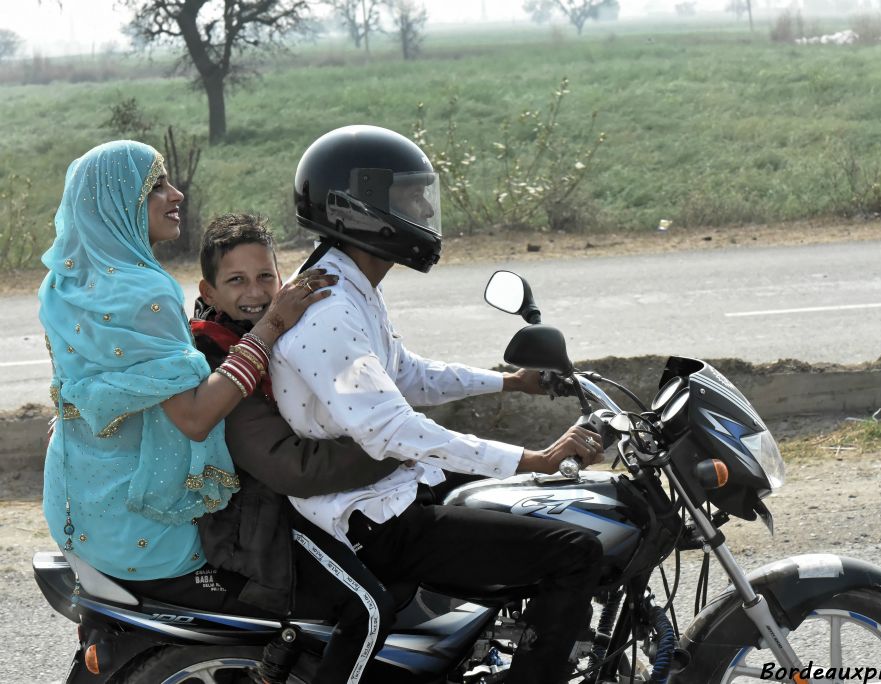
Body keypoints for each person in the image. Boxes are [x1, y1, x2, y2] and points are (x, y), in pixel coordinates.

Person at [274, 125, 606, 684]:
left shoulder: (349, 284)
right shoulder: (327, 309)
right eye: (408, 199)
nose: (423, 211)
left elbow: (406, 374)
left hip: (389, 492)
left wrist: (510, 383)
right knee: (574, 552)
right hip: (372, 519)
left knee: (526, 508)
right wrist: (532, 458)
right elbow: (390, 427)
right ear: (359, 206)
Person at [38, 140, 332, 609]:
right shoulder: (144, 292)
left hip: (76, 502)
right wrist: (273, 324)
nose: (176, 195)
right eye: (156, 186)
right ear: (116, 203)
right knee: (293, 596)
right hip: (142, 522)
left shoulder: (64, 282)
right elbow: (194, 418)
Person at [190, 212, 404, 684]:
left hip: (298, 500)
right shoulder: (216, 356)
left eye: (265, 276)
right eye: (236, 281)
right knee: (368, 609)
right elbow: (290, 468)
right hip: (257, 515)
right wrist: (396, 447)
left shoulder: (286, 328)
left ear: (281, 277)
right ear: (209, 293)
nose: (255, 292)